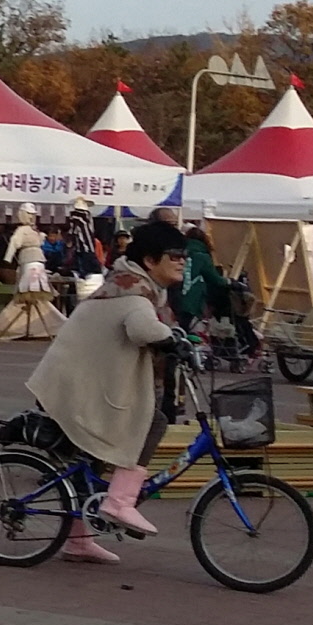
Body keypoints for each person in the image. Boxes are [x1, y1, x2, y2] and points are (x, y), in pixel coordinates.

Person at [25, 220, 194, 561]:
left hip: (78, 383)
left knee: (91, 462)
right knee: (153, 421)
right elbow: (141, 327)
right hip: (75, 387)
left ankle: (78, 539)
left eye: (184, 255)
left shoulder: (134, 285)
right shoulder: (132, 292)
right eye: (175, 254)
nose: (182, 261)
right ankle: (119, 502)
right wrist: (173, 338)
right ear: (150, 260)